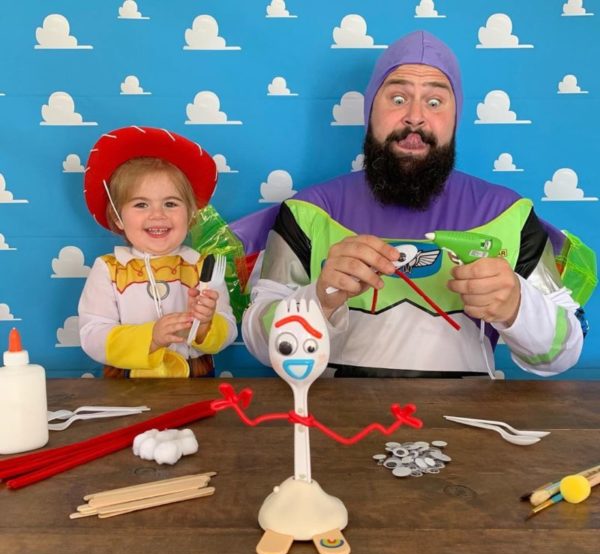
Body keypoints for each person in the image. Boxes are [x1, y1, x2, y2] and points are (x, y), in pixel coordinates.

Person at [237, 30, 591, 378]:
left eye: (435, 102)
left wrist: (516, 306)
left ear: (455, 117)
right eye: (397, 98)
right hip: (335, 414)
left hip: (468, 414)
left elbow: (562, 354)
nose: (415, 117)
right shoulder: (308, 211)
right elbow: (260, 343)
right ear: (369, 110)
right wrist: (319, 298)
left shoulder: (509, 214)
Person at [79, 126, 237, 378]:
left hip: (195, 381)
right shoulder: (109, 269)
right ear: (118, 217)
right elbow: (92, 335)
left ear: (191, 213)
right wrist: (151, 337)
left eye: (170, 203)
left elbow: (228, 327)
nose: (158, 215)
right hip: (128, 385)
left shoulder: (202, 267)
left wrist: (205, 325)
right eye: (141, 204)